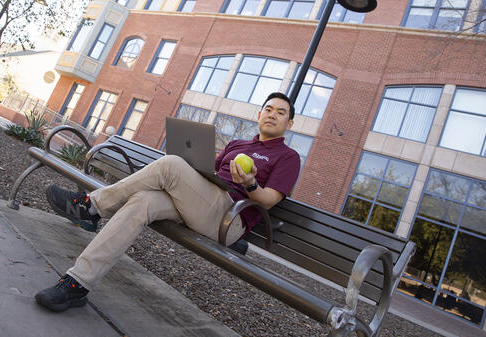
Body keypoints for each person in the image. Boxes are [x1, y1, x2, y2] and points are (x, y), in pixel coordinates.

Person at [35, 92, 301, 312]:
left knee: (171, 164)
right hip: (199, 203)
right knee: (142, 202)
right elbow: (209, 172)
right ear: (259, 115)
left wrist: (250, 184)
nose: (272, 114)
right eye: (268, 109)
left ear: (289, 124)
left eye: (280, 112)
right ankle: (77, 284)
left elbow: (268, 201)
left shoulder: (288, 157)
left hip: (228, 218)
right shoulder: (237, 144)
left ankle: (90, 206)